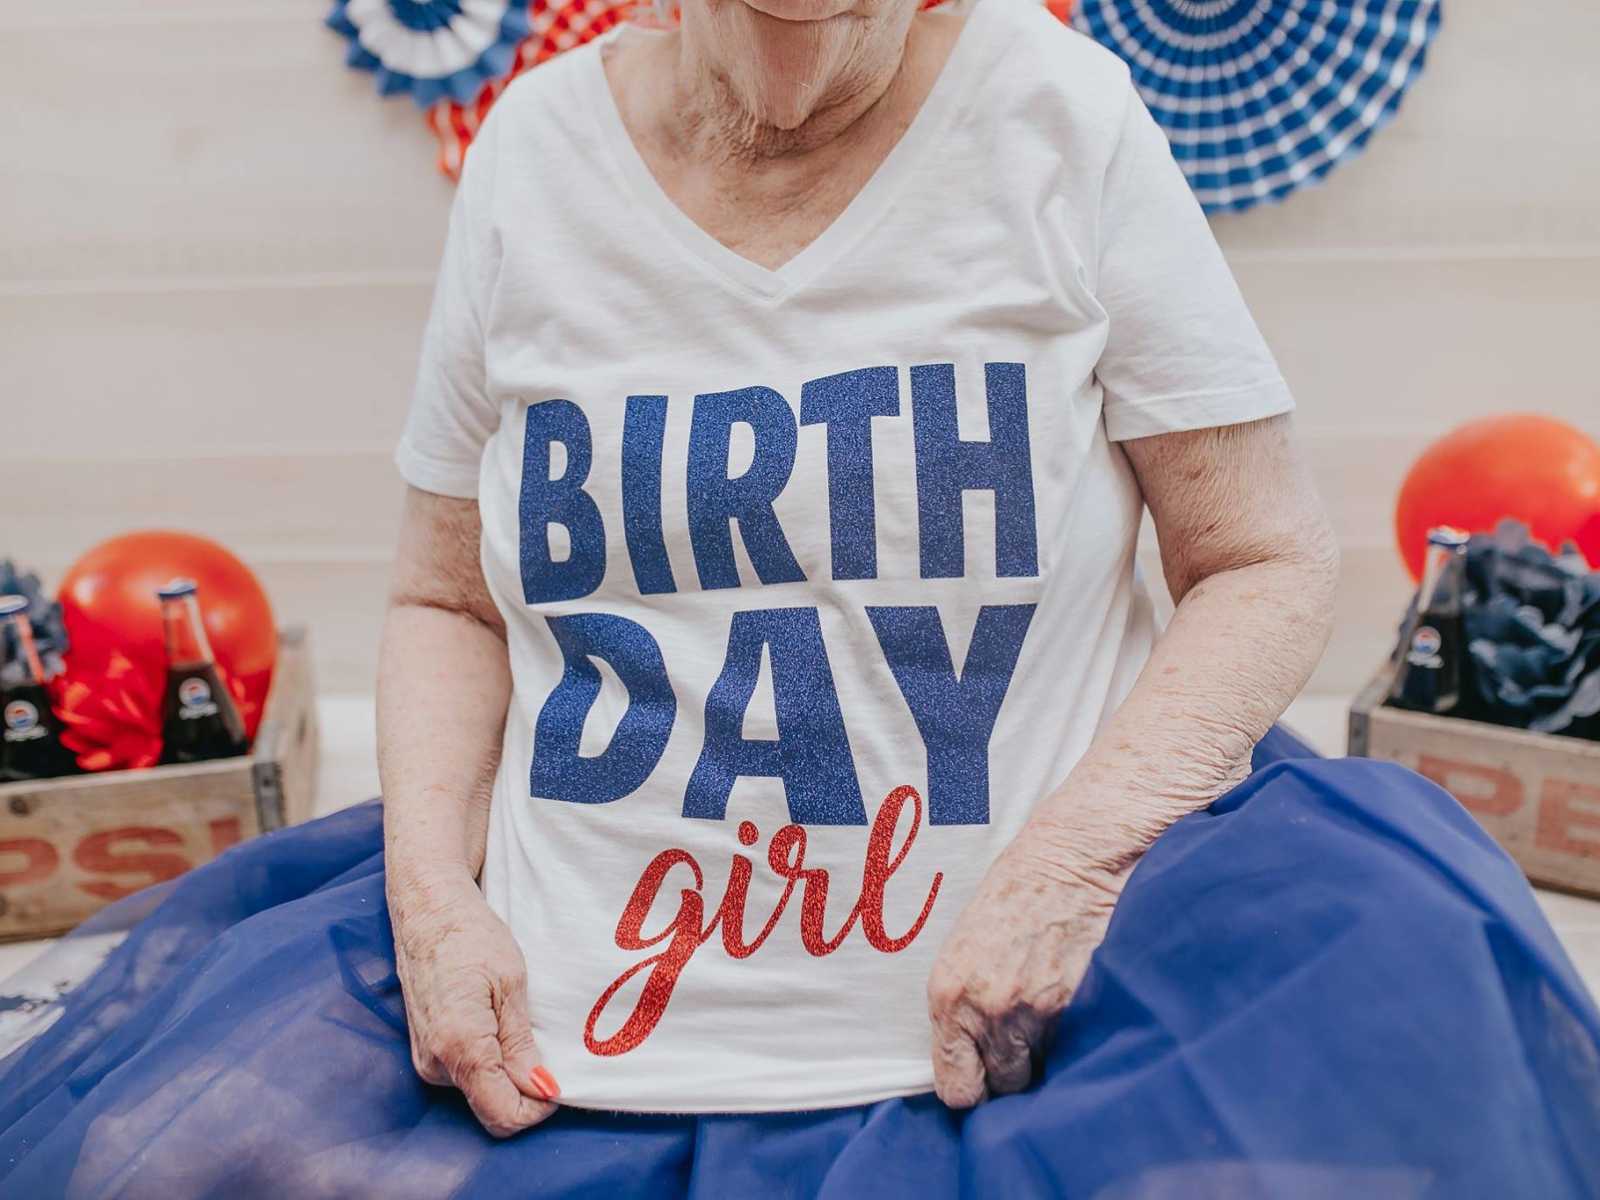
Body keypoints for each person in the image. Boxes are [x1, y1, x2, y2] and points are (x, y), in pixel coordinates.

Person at [3, 0, 1598, 1194]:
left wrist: (1069, 868)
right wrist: (438, 899)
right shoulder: (532, 157)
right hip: (578, 1013)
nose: (798, 59)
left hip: (1044, 1003)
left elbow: (1263, 558)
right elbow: (446, 603)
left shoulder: (1061, 116)